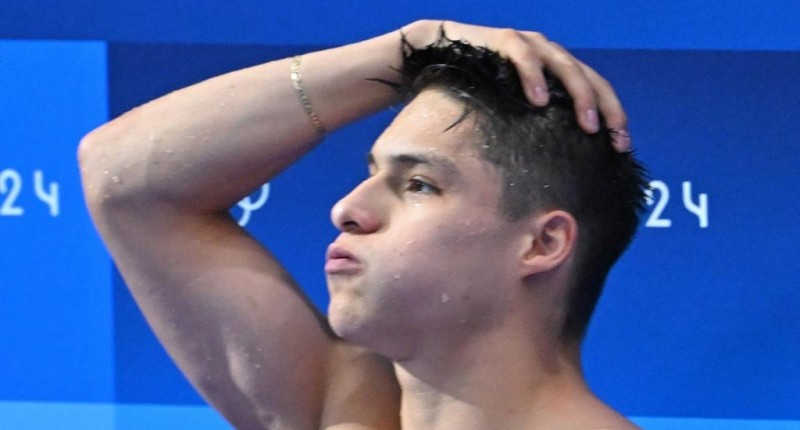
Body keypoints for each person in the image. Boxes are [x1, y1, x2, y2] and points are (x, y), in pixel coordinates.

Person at [79, 19, 646, 430]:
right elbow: (121, 178)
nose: (347, 209)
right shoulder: (351, 410)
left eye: (418, 184)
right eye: (372, 173)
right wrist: (407, 49)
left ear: (542, 244)